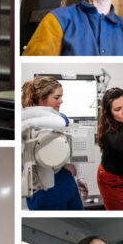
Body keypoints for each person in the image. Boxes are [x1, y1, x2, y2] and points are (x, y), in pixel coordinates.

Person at [22, 76, 87, 210]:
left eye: (61, 97)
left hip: (68, 185)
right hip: (45, 192)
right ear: (41, 98)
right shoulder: (27, 123)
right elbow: (29, 159)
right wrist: (62, 164)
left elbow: (72, 151)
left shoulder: (62, 119)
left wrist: (79, 177)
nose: (61, 101)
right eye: (56, 98)